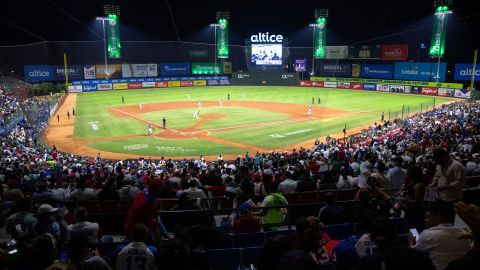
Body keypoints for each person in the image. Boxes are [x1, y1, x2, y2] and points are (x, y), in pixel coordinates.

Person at [414, 203, 471, 270]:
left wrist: (412, 243)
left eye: (428, 217)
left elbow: (416, 252)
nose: (425, 220)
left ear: (439, 218)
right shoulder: (463, 232)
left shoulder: (427, 234)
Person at [430, 148, 466, 222]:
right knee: (440, 220)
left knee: (449, 221)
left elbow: (460, 182)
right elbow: (437, 176)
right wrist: (433, 183)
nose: (437, 162)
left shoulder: (457, 166)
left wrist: (445, 187)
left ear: (444, 156)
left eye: (438, 160)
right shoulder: (439, 164)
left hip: (452, 199)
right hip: (439, 197)